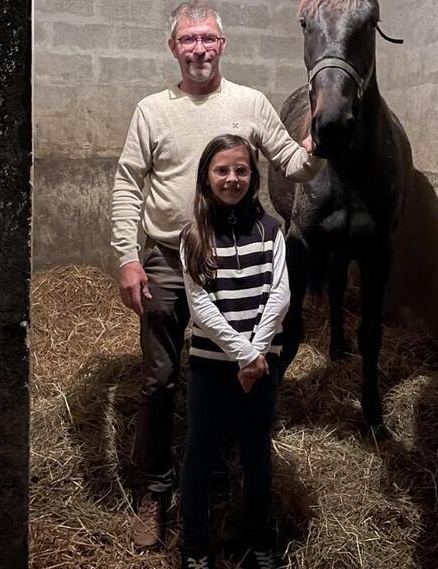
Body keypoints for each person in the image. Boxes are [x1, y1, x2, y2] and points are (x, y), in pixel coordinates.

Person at [110, 0, 322, 550]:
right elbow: (128, 184)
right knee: (159, 378)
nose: (198, 48)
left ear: (222, 45)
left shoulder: (249, 103)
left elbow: (291, 163)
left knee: (228, 366)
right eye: (187, 40)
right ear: (173, 47)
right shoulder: (151, 110)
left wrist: (319, 143)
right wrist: (128, 257)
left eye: (207, 38)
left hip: (231, 261)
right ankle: (157, 490)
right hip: (165, 257)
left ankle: (220, 467)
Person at [178, 134, 288, 569]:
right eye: (222, 170)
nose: (232, 178)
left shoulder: (272, 230)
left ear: (253, 176)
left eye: (241, 170)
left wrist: (255, 354)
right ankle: (194, 546)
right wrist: (242, 353)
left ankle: (259, 539)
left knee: (257, 454)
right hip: (212, 367)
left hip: (260, 366)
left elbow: (279, 295)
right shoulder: (194, 235)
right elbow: (200, 306)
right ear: (207, 177)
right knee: (200, 456)